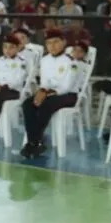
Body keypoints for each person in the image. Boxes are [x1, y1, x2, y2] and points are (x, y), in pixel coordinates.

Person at [20, 29, 78, 158]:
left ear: (63, 42)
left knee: (45, 105)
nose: (52, 46)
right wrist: (42, 91)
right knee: (27, 104)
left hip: (68, 95)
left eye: (56, 42)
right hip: (48, 93)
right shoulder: (45, 60)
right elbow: (44, 82)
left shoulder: (71, 62)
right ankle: (35, 142)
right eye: (49, 43)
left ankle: (34, 141)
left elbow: (66, 87)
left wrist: (45, 93)